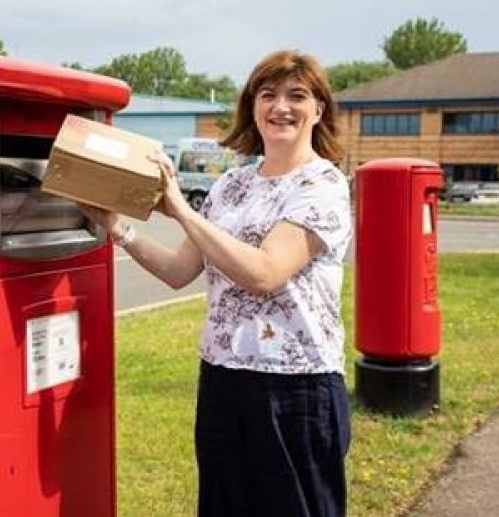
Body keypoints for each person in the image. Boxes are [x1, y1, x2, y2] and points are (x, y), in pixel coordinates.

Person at [80, 49, 352, 517]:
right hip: (224, 378)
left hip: (296, 386)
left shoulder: (322, 184)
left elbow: (265, 273)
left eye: (296, 95)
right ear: (253, 107)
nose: (280, 107)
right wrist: (117, 227)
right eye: (267, 95)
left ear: (318, 110)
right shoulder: (230, 185)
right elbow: (178, 270)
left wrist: (180, 209)